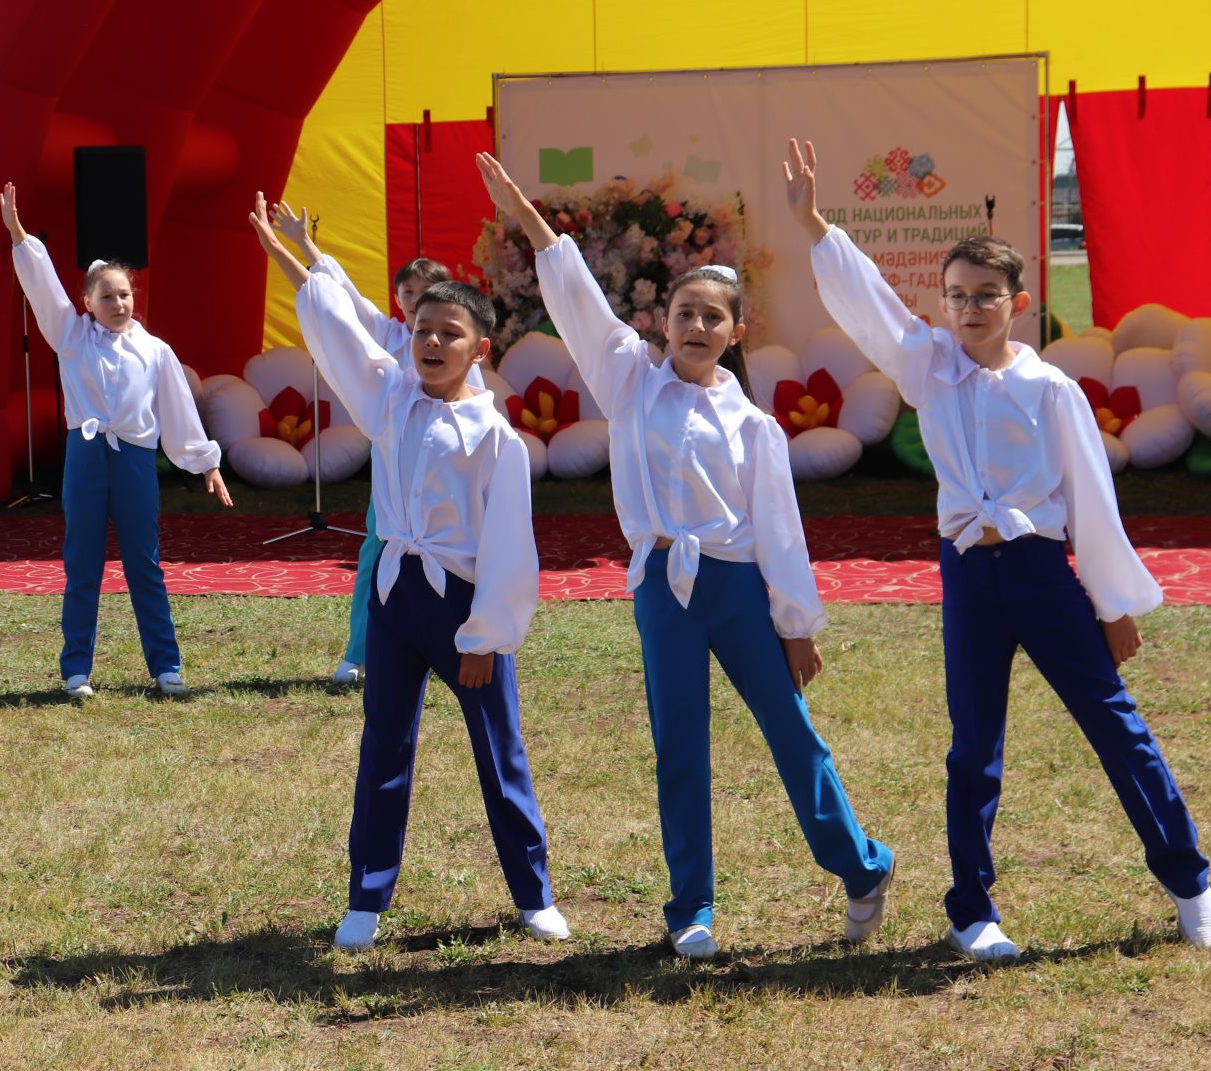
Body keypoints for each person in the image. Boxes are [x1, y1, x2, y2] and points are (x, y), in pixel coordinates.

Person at [783, 137, 1211, 960]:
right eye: (957, 296)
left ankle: (1189, 881)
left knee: (1115, 725)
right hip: (969, 577)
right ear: (944, 305)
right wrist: (814, 223)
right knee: (973, 745)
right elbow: (871, 303)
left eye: (987, 295)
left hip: (1040, 571)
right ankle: (971, 909)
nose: (971, 308)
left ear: (1018, 303)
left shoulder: (1049, 387)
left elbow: (1092, 501)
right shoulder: (927, 368)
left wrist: (1114, 604)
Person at [476, 152, 894, 959]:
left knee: (790, 732)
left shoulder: (754, 426)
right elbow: (576, 298)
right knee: (680, 747)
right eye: (684, 313)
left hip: (737, 587)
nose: (697, 327)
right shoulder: (629, 379)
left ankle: (862, 866)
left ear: (738, 333)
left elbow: (779, 529)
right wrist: (526, 216)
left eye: (714, 318)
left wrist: (796, 623)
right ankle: (690, 907)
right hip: (663, 588)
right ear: (662, 322)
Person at [265, 203, 569, 952]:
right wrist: (290, 255)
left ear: (480, 349)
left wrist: (485, 635)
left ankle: (533, 895)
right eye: (422, 331)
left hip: (463, 605)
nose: (432, 343)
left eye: (449, 334)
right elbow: (337, 324)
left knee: (500, 752)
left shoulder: (496, 438)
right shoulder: (391, 397)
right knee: (384, 744)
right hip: (395, 595)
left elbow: (507, 544)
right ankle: (367, 895)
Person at [1, 182, 231, 698]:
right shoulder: (71, 335)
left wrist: (205, 462)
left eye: (124, 293)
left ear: (134, 297)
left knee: (142, 561)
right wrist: (20, 236)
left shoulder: (155, 350)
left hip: (133, 459)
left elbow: (177, 409)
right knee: (82, 560)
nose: (117, 302)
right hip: (85, 455)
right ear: (86, 302)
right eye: (106, 295)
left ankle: (165, 665)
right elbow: (43, 289)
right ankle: (76, 668)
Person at [251, 195, 459, 685]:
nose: (414, 298)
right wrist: (296, 244)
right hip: (391, 468)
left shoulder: (461, 343)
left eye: (426, 290)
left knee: (451, 559)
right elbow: (332, 296)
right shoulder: (385, 334)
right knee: (377, 557)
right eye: (407, 290)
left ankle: (453, 651)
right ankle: (361, 653)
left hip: (446, 472)